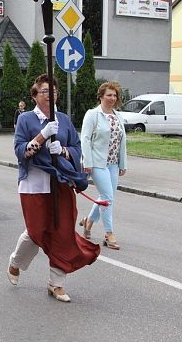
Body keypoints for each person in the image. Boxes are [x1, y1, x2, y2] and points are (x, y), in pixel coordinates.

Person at [7, 74, 100, 302]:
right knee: (37, 231)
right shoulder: (26, 119)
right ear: (34, 96)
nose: (50, 95)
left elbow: (76, 147)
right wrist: (43, 135)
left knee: (62, 231)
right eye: (45, 91)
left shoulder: (64, 119)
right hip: (35, 184)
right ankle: (16, 262)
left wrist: (65, 151)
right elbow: (21, 151)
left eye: (54, 91)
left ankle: (56, 284)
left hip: (60, 183)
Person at [79, 81, 127, 250]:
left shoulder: (118, 116)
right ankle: (109, 234)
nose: (112, 98)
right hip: (97, 162)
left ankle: (88, 222)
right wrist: (87, 162)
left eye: (114, 95)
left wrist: (123, 163)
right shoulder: (93, 114)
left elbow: (122, 141)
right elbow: (84, 139)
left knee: (107, 197)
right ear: (101, 96)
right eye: (109, 95)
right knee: (107, 197)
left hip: (113, 163)